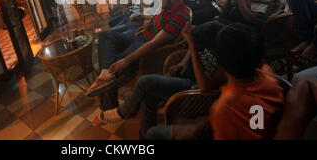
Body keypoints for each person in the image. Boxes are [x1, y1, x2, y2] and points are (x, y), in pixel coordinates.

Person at [149, 22, 285, 140]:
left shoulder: (224, 107)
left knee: (153, 134)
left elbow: (233, 116)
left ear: (219, 64)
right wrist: (199, 126)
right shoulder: (269, 77)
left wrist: (194, 130)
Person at [92, 21, 224, 139]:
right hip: (183, 74)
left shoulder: (224, 60)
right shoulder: (208, 35)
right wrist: (183, 62)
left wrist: (193, 46)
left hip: (194, 90)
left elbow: (205, 87)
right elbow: (193, 47)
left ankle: (123, 112)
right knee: (148, 96)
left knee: (145, 82)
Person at [86, 0, 190, 106]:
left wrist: (127, 60)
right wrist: (148, 20)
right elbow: (159, 20)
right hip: (140, 34)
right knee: (105, 36)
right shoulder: (170, 7)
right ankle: (105, 73)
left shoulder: (179, 17)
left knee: (114, 64)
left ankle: (107, 103)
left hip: (145, 43)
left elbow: (153, 43)